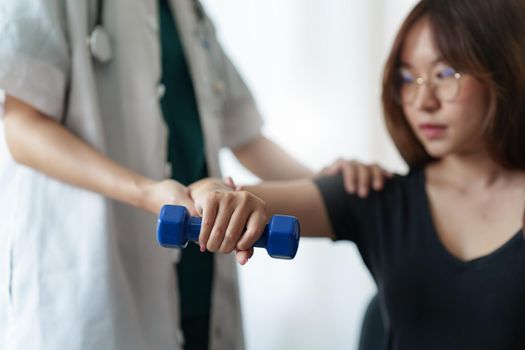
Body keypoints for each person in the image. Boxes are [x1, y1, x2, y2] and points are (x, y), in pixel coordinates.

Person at [0, 0, 391, 349]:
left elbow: (245, 136)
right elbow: (23, 126)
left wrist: (334, 186)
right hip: (93, 276)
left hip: (201, 264)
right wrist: (146, 193)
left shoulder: (187, 9)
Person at [188, 0, 525, 349]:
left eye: (445, 74)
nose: (422, 100)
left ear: (505, 68)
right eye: (408, 78)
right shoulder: (379, 195)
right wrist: (216, 194)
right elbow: (210, 196)